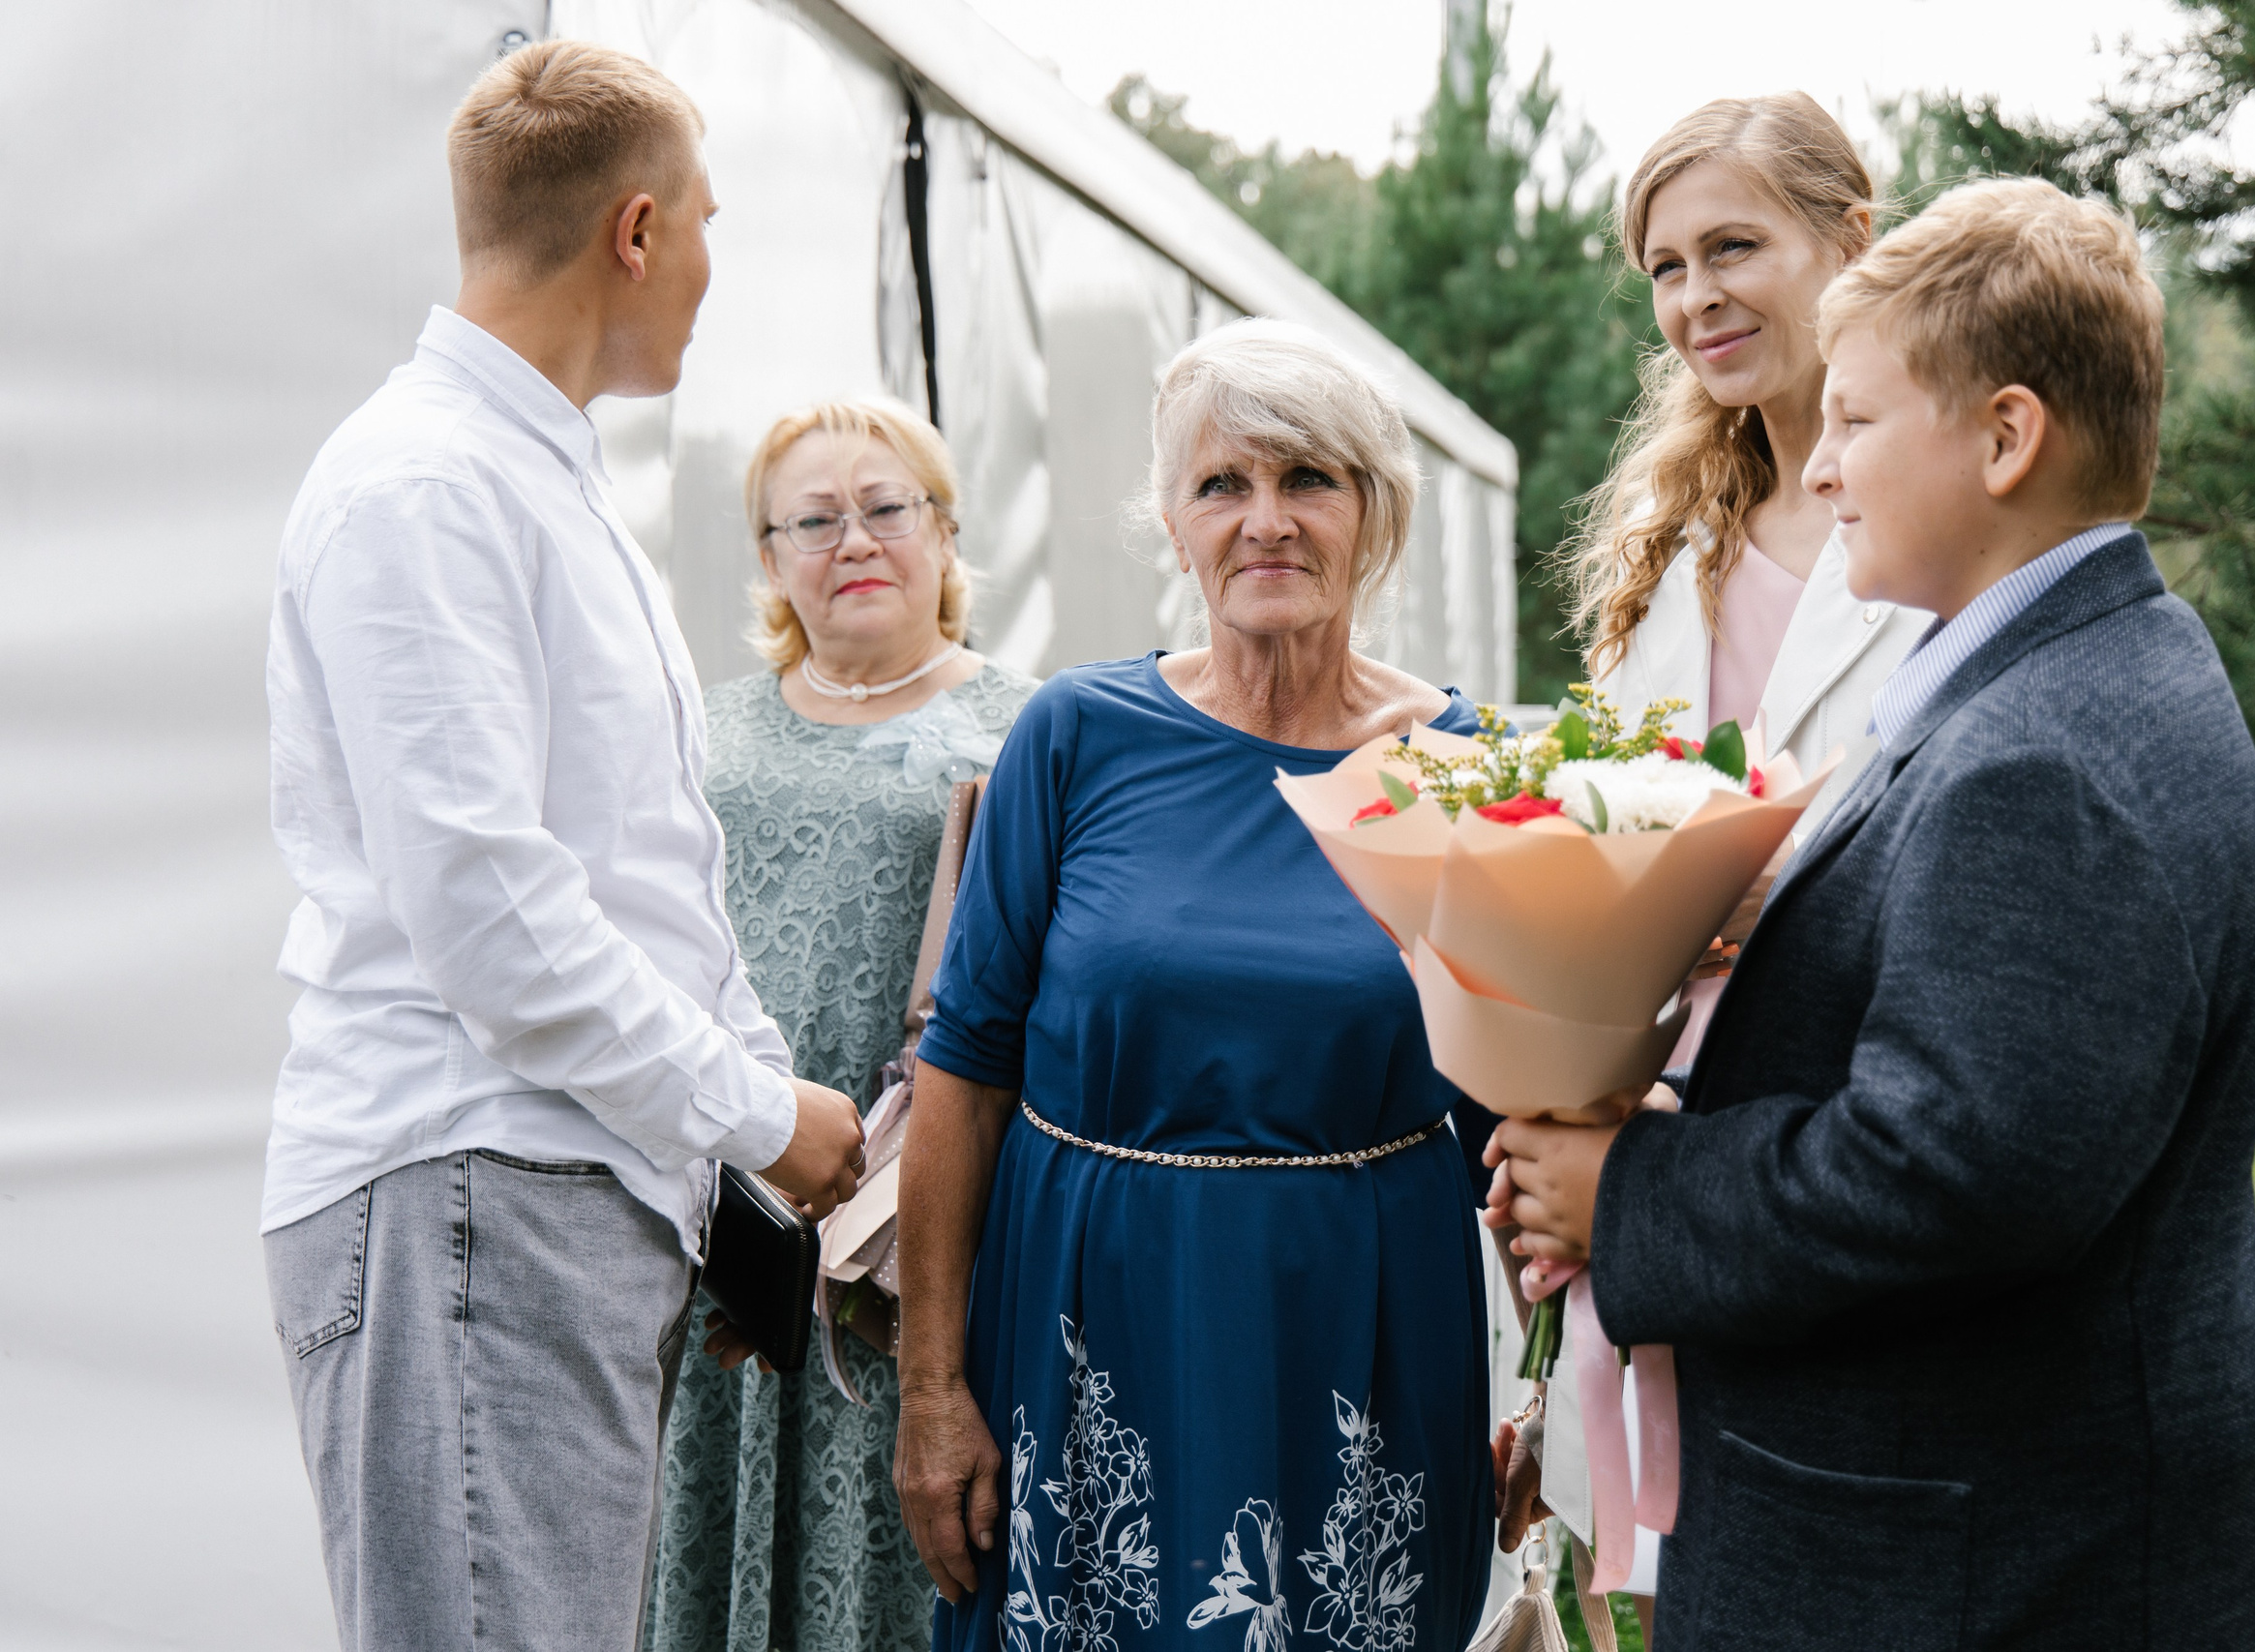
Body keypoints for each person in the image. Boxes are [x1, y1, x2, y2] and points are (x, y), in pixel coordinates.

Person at [1489, 180, 2255, 1648]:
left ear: (2004, 437)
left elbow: (1949, 1176)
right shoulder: (2058, 671)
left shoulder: (2043, 760)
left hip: (1971, 1559)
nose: (1820, 469)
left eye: (1856, 422)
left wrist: (1630, 1193)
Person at [260, 43, 864, 1652]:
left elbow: (641, 882)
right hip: (471, 1182)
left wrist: (736, 1166)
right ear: (638, 229)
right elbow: (489, 914)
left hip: (540, 1197)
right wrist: (758, 1116)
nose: (714, 269)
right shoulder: (425, 485)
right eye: (711, 224)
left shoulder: (536, 481)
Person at [892, 319, 1498, 1652]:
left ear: (1375, 513)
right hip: (1089, 1328)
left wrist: (1565, 1395)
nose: (1265, 520)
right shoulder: (1075, 735)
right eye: (1223, 484)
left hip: (1358, 1335)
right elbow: (966, 1070)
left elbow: (1515, 1108)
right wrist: (930, 1389)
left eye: (1309, 479)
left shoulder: (1461, 764)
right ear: (1173, 525)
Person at [643, 399, 1037, 1651]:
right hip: (732, 1207)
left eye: (885, 508)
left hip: (915, 1226)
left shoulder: (1032, 728)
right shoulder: (703, 729)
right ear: (769, 560)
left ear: (945, 532)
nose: (853, 540)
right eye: (813, 520)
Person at [1566, 93, 1933, 1071]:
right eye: (1667, 268)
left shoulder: (1951, 531)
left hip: (1853, 1084)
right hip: (1652, 1080)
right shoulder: (1661, 547)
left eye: (1731, 247)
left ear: (1851, 240)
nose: (1697, 298)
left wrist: (1758, 899)